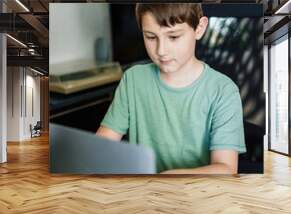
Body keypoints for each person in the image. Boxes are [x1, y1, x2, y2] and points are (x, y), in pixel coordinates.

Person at [96, 3, 246, 174]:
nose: (161, 51)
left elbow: (226, 168)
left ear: (199, 28)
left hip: (195, 194)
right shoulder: (133, 79)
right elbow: (103, 145)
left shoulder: (224, 91)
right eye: (151, 37)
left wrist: (170, 177)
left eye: (173, 37)